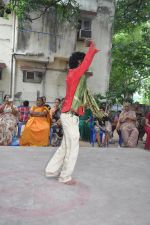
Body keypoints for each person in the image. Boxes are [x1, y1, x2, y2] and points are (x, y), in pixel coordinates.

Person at [45, 40, 100, 185]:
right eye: (83, 62)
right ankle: (65, 177)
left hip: (71, 116)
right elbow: (87, 63)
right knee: (73, 144)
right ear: (79, 62)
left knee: (66, 145)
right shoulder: (75, 74)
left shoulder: (76, 76)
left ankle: (51, 170)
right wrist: (92, 48)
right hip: (69, 115)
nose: (85, 65)